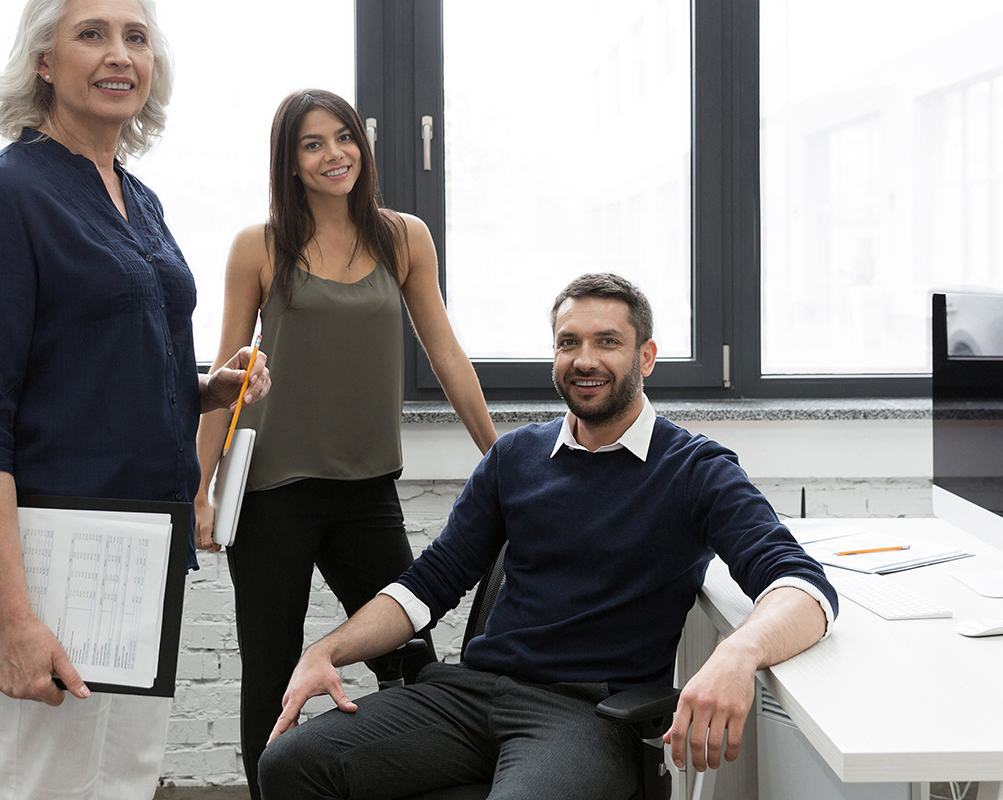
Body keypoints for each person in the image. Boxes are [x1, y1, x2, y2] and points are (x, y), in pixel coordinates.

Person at [260, 273, 838, 800]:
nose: (585, 360)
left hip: (585, 716)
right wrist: (326, 650)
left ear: (647, 356)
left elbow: (802, 587)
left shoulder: (694, 469)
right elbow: (428, 584)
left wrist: (736, 654)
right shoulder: (516, 456)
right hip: (471, 696)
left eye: (607, 342)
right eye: (569, 342)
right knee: (289, 764)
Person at [0, 0, 270, 800]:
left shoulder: (138, 197)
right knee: (53, 783)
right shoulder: (3, 196)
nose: (119, 53)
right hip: (56, 559)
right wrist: (16, 622)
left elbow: (93, 364)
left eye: (136, 36)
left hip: (143, 552)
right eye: (92, 34)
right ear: (44, 61)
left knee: (120, 779)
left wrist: (203, 390)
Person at [194, 89, 497, 799]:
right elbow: (224, 381)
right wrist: (199, 488)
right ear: (290, 163)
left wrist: (502, 454)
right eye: (312, 143)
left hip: (367, 492)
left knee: (411, 660)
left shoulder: (403, 238)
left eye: (344, 137)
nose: (335, 154)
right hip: (273, 493)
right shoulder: (259, 246)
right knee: (270, 672)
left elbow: (447, 355)